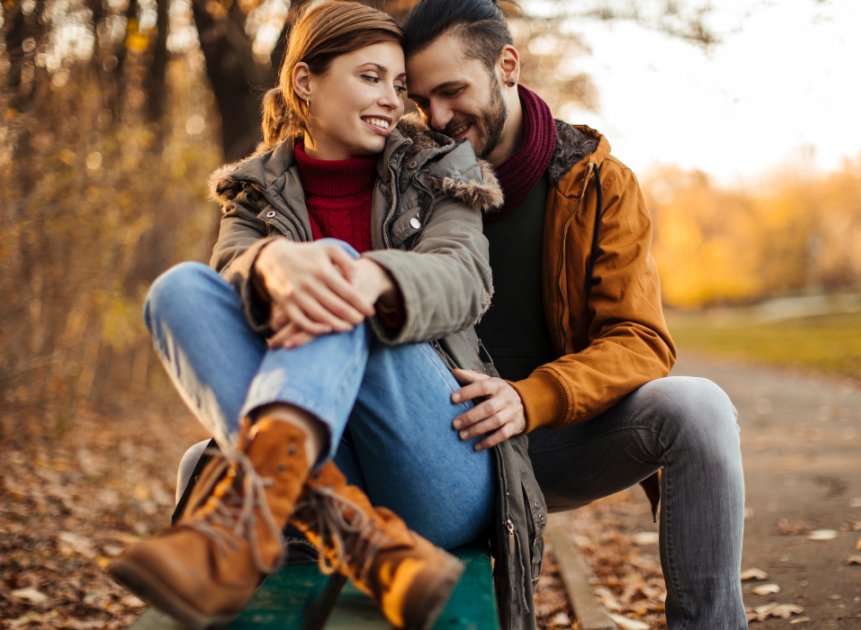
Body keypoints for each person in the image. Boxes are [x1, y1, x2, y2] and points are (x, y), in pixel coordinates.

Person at [108, 3, 508, 629]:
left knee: (337, 270)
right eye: (371, 77)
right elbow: (225, 282)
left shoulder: (438, 165)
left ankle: (251, 519)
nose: (392, 100)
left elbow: (465, 277)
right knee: (177, 289)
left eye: (399, 85)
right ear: (304, 82)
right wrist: (266, 265)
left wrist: (372, 275)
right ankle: (358, 537)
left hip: (436, 463)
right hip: (327, 459)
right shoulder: (256, 190)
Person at [401, 1, 748, 628]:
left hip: (559, 440)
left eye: (452, 91)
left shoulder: (598, 182)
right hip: (439, 448)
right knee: (208, 460)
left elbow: (640, 340)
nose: (438, 119)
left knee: (699, 408)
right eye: (422, 101)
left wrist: (530, 398)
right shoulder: (403, 184)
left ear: (507, 65)